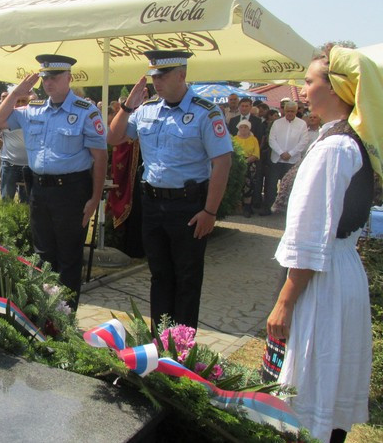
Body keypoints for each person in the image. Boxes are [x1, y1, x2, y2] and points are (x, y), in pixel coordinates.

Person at [266, 46, 380, 443]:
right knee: (327, 383)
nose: (302, 89)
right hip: (339, 270)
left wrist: (285, 301)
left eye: (310, 81)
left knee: (312, 385)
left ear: (335, 89)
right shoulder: (348, 140)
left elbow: (311, 236)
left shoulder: (334, 148)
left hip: (322, 279)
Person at [108, 50, 233, 329]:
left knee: (187, 278)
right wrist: (128, 106)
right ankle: (160, 340)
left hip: (189, 207)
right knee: (159, 275)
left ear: (181, 74)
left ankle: (182, 348)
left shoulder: (205, 112)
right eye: (153, 76)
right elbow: (114, 137)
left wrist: (210, 211)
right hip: (152, 205)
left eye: (162, 76)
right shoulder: (146, 109)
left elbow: (222, 161)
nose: (156, 82)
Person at [0, 54, 107, 308]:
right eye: (45, 78)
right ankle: (46, 315)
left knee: (68, 258)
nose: (48, 82)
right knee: (43, 257)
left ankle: (65, 319)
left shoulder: (86, 112)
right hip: (39, 190)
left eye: (54, 77)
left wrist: (95, 198)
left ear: (69, 78)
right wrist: (17, 92)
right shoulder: (32, 110)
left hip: (72, 192)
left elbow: (100, 158)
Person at [261, 101, 308, 216]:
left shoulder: (302, 124)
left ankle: (288, 210)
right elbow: (271, 139)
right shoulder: (276, 123)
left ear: (296, 111)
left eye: (292, 111)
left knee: (289, 186)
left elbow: (304, 141)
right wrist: (281, 153)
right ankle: (268, 207)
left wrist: (291, 153)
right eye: (288, 111)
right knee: (271, 185)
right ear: (284, 111)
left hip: (292, 160)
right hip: (276, 158)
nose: (290, 113)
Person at [0, 93, 30, 202]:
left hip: (30, 165)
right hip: (10, 163)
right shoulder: (5, 117)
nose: (20, 104)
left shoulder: (33, 117)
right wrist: (1, 144)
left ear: (28, 102)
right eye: (17, 101)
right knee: (6, 199)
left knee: (27, 202)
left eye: (23, 101)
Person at [233, 119, 260, 217]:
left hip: (250, 164)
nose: (243, 129)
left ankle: (247, 208)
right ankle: (237, 206)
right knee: (237, 185)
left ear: (249, 129)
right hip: (237, 164)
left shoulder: (254, 139)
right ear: (238, 128)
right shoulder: (234, 138)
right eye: (241, 127)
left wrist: (245, 161)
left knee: (249, 185)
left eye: (246, 127)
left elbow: (256, 154)